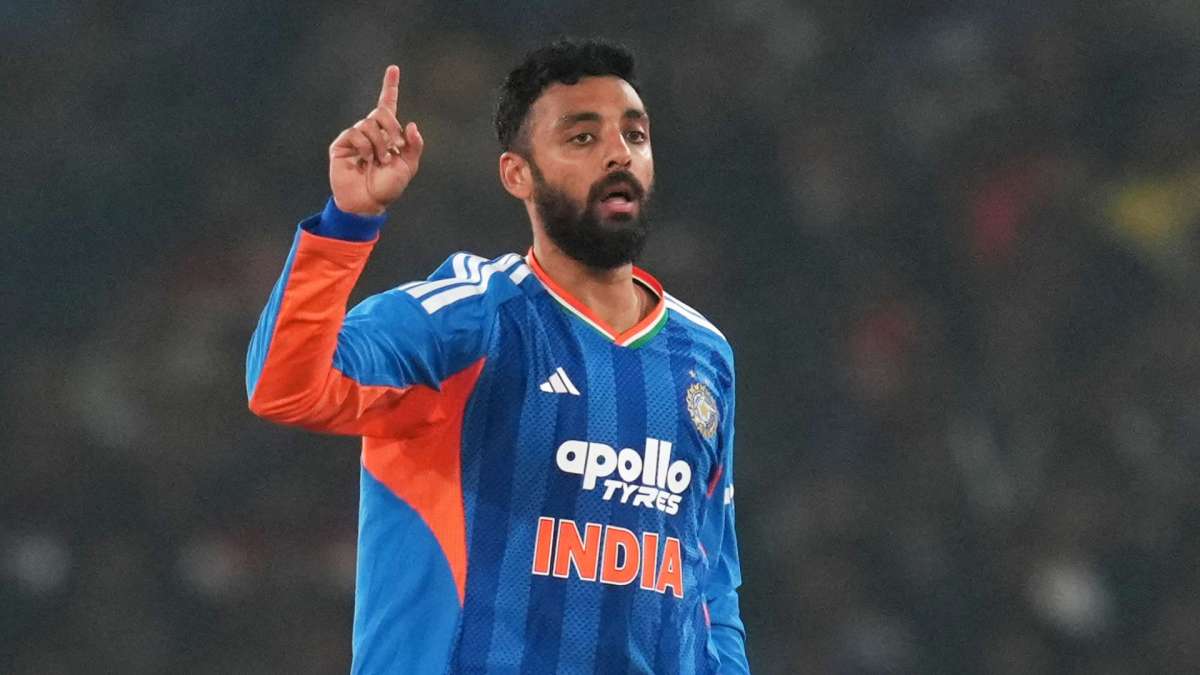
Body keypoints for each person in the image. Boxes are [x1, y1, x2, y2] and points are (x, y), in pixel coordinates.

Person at [246, 38, 749, 674]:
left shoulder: (703, 354)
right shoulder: (470, 318)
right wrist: (348, 223)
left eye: (635, 134)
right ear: (517, 174)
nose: (620, 153)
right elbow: (285, 386)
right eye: (583, 138)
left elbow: (709, 586)